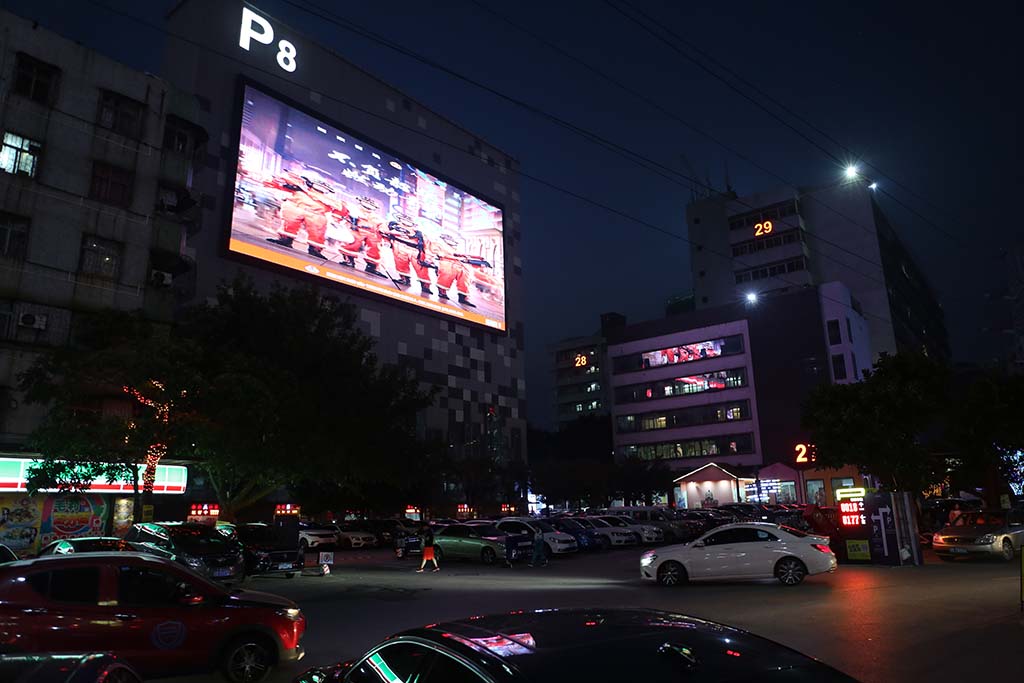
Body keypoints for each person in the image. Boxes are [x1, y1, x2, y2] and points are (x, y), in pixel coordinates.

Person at [263, 170, 349, 259]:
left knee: (317, 232)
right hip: (296, 208)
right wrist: (275, 181)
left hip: (316, 215)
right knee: (290, 223)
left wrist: (337, 218)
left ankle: (315, 249)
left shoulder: (329, 199)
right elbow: (277, 184)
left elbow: (342, 209)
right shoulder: (300, 189)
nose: (321, 187)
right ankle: (285, 239)